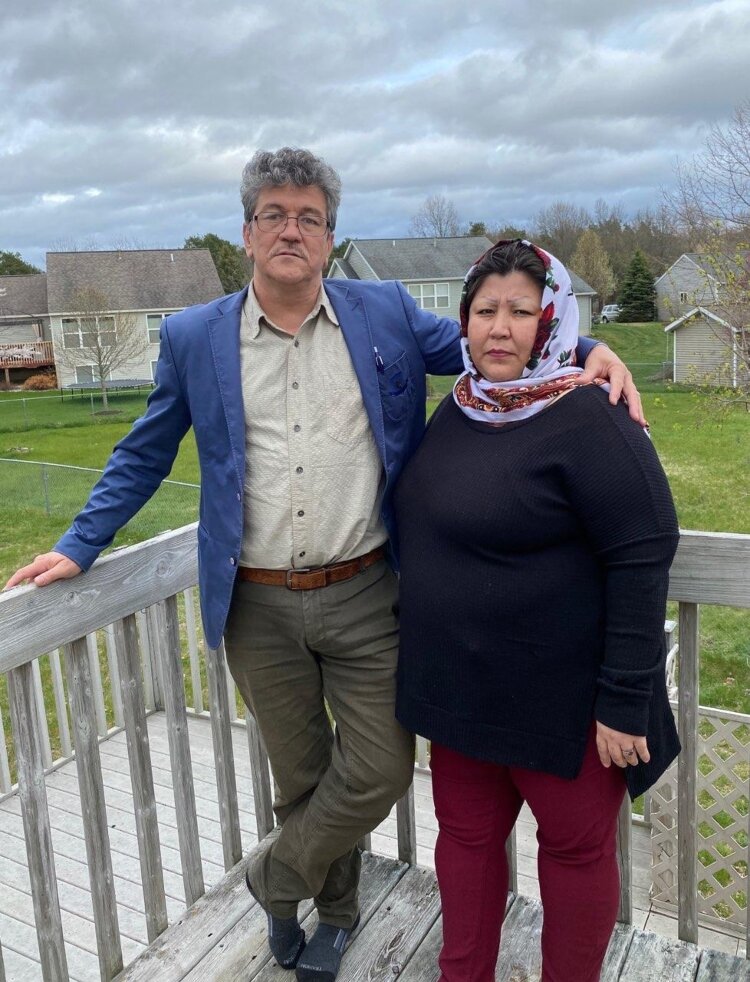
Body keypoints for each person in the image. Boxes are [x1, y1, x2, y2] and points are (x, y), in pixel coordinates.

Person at [5, 151, 641, 982]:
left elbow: (493, 335)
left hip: (366, 589)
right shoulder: (196, 337)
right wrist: (80, 544)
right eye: (274, 214)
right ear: (247, 233)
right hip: (256, 602)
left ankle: (275, 878)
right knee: (301, 775)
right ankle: (334, 915)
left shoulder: (383, 314)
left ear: (330, 237)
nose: (291, 230)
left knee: (378, 766)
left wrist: (590, 345)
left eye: (309, 217)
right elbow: (145, 450)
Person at [393, 239, 680, 982]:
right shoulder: (461, 407)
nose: (500, 327)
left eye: (521, 311)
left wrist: (625, 699)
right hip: (462, 694)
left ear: (550, 321)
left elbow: (644, 550)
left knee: (575, 855)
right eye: (485, 310)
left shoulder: (590, 415)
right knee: (465, 843)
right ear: (464, 320)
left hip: (568, 707)